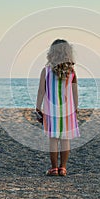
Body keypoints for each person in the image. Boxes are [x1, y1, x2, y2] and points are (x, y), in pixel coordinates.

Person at [36, 39, 80, 176]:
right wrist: (76, 107)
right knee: (65, 139)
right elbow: (74, 91)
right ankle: (63, 168)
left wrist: (38, 107)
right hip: (68, 111)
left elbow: (41, 91)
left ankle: (54, 168)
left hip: (51, 111)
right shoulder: (71, 72)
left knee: (53, 139)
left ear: (52, 53)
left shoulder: (46, 71)